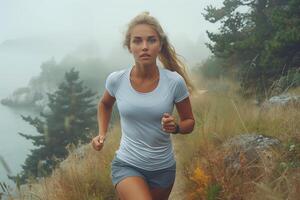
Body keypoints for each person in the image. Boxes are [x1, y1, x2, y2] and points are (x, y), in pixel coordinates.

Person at [91, 11, 195, 200]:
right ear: (129, 46)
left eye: (151, 40)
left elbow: (190, 122)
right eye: (137, 41)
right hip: (127, 164)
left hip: (163, 170)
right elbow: (105, 104)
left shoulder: (174, 82)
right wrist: (101, 133)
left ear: (160, 45)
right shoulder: (117, 80)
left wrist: (176, 127)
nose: (144, 47)